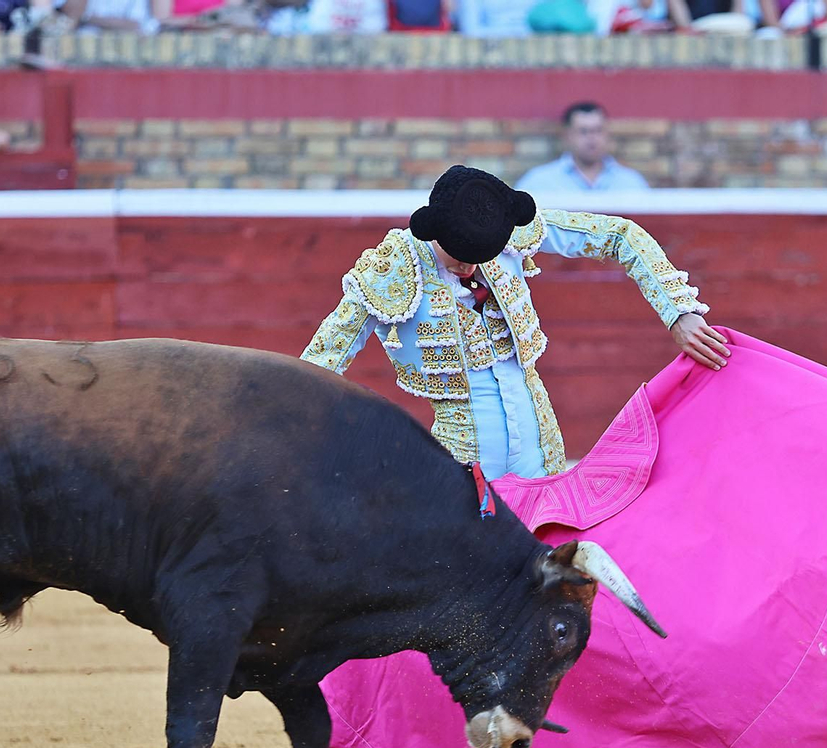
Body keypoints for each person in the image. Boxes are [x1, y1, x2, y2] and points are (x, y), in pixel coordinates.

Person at [301, 165, 727, 480]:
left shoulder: (507, 231)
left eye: (480, 257)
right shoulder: (391, 265)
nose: (469, 267)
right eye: (458, 257)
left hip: (541, 444)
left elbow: (619, 235)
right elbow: (327, 353)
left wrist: (679, 311)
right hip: (461, 456)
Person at [515, 102, 650, 196]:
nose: (592, 139)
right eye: (583, 131)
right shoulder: (538, 182)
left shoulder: (631, 182)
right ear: (567, 135)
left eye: (598, 130)